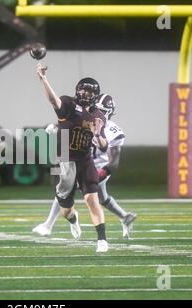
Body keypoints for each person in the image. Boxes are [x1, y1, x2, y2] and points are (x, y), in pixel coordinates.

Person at [33, 94, 137, 239]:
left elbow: (113, 163)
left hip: (96, 167)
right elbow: (71, 127)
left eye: (102, 110)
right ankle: (125, 217)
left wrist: (99, 174)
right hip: (76, 161)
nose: (97, 113)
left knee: (66, 190)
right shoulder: (85, 118)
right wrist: (56, 129)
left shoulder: (114, 132)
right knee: (101, 197)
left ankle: (49, 224)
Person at [36, 62, 109, 252]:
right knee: (66, 210)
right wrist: (43, 79)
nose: (84, 94)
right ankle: (73, 219)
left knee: (92, 199)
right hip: (64, 159)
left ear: (95, 96)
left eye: (88, 92)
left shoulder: (98, 116)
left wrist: (98, 134)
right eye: (82, 90)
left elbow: (103, 147)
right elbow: (54, 101)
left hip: (84, 160)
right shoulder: (68, 103)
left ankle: (102, 240)